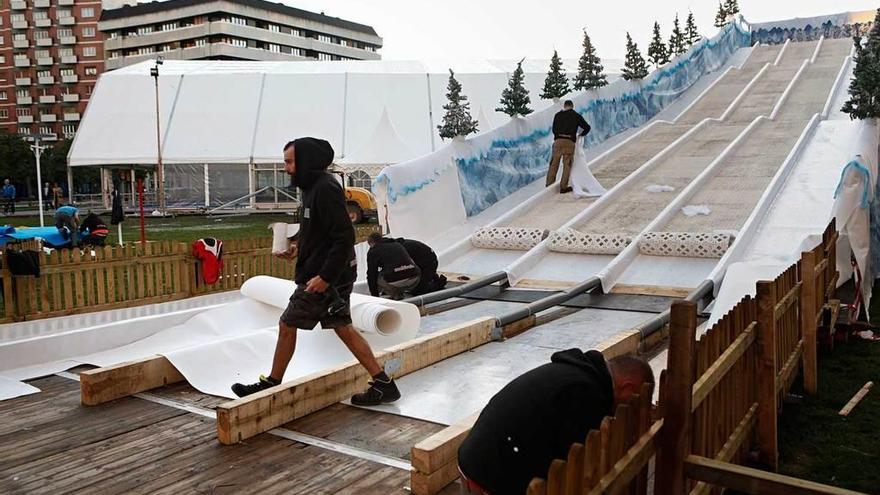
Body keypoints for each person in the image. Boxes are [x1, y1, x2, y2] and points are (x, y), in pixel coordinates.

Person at [232, 137, 401, 407]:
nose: (286, 168)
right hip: (327, 274)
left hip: (324, 278)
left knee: (287, 324)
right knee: (344, 328)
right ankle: (383, 384)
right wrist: (297, 246)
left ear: (306, 161)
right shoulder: (310, 189)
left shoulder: (325, 189)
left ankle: (270, 384)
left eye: (289, 161)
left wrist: (325, 277)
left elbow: (344, 237)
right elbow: (319, 231)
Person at [457, 351, 654, 494]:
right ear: (627, 388)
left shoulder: (574, 373)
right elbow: (574, 468)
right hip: (487, 476)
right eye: (639, 400)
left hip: (475, 459)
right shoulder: (586, 394)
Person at [547, 100, 591, 194]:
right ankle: (563, 187)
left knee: (554, 164)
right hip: (569, 142)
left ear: (564, 106)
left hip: (558, 141)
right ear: (572, 106)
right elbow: (587, 127)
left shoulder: (557, 115)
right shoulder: (576, 115)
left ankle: (549, 185)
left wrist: (558, 136)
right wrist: (580, 135)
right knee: (567, 164)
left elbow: (554, 129)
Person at [366, 233, 421, 300]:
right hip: (415, 279)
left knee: (377, 277)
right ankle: (399, 292)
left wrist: (375, 297)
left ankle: (396, 295)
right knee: (392, 271)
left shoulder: (374, 251)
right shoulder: (397, 244)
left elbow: (371, 274)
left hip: (397, 281)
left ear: (371, 243)